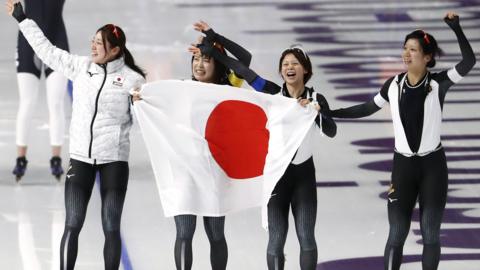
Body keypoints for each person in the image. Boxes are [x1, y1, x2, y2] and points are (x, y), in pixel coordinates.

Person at [324, 12, 476, 270]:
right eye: (405, 48)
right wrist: (331, 113)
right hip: (403, 167)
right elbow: (367, 108)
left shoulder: (439, 83)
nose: (406, 53)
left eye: (413, 49)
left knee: (430, 233)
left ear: (427, 57)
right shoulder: (392, 84)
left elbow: (469, 61)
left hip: (433, 168)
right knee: (397, 232)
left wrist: (457, 28)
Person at [7, 1, 146, 269]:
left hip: (113, 162)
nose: (92, 46)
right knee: (72, 224)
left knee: (110, 226)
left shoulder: (132, 81)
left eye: (99, 43)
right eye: (93, 40)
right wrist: (22, 19)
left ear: (115, 50)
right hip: (81, 158)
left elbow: (145, 120)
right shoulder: (81, 67)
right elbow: (46, 50)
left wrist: (140, 105)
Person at [198, 40, 337, 269]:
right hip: (276, 179)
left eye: (294, 63)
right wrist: (214, 52)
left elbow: (331, 131)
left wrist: (317, 112)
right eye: (285, 64)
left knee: (306, 237)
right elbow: (244, 72)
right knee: (275, 240)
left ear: (306, 70)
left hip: (303, 178)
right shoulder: (272, 93)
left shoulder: (316, 99)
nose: (289, 67)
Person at [133, 21, 252, 270]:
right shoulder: (180, 89)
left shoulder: (229, 87)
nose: (199, 65)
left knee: (215, 234)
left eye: (206, 60)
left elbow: (245, 58)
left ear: (218, 64)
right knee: (184, 233)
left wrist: (213, 40)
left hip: (214, 171)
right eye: (196, 59)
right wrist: (140, 99)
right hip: (185, 169)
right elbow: (153, 103)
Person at [12, 0, 70, 181]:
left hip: (56, 39)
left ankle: (56, 157)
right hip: (28, 40)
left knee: (56, 102)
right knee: (27, 102)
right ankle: (20, 157)